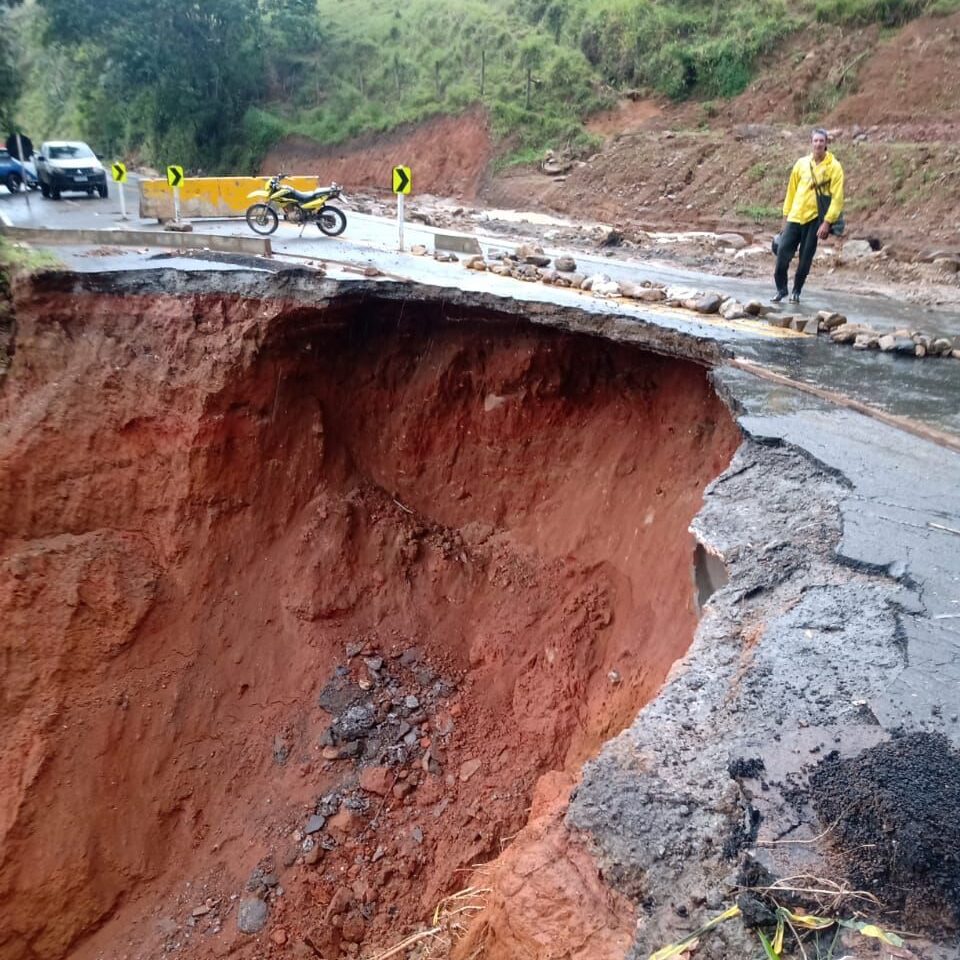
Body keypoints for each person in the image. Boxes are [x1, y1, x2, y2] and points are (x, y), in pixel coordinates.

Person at [772, 128, 844, 304]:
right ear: (811, 143)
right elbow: (791, 191)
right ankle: (781, 289)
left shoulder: (834, 167)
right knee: (782, 252)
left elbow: (837, 198)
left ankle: (796, 291)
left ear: (827, 143)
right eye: (815, 141)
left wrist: (827, 223)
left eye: (821, 141)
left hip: (814, 220)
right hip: (795, 216)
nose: (818, 144)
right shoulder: (801, 164)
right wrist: (785, 217)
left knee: (805, 258)